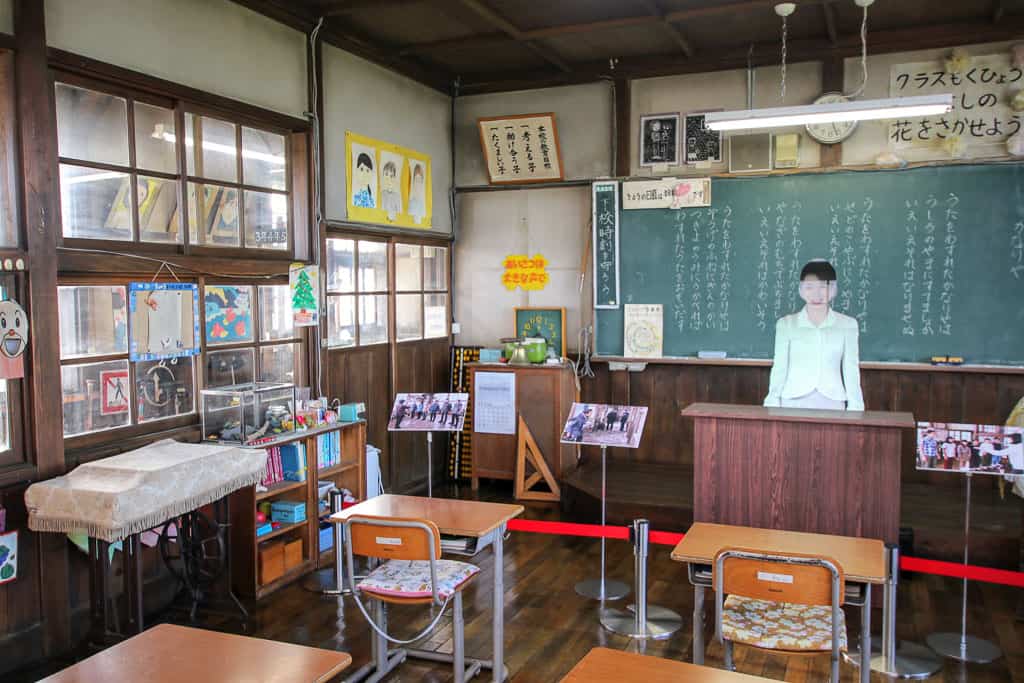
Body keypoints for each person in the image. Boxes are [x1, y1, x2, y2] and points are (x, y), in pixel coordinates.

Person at [763, 260, 864, 411]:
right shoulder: (786, 324)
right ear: (801, 290)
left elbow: (851, 369)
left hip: (832, 402)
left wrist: (856, 407)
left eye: (823, 287)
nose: (816, 294)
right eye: (809, 287)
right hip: (792, 401)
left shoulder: (848, 325)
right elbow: (780, 367)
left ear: (833, 289)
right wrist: (772, 402)